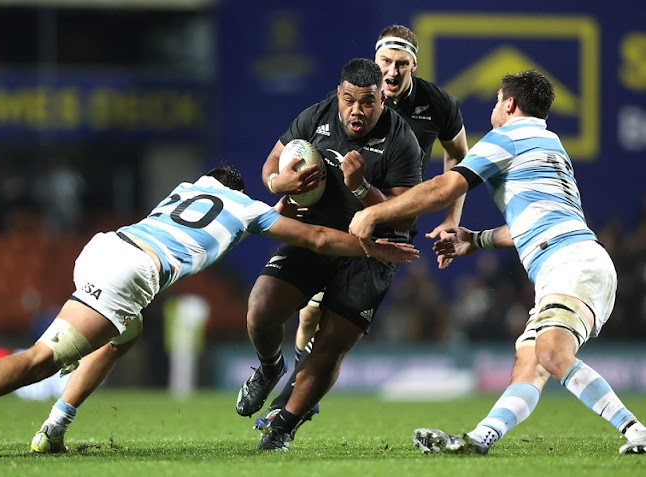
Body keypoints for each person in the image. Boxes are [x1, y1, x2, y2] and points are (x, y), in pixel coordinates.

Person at [0, 165, 418, 459]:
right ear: (239, 190)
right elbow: (318, 239)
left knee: (126, 334)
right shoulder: (243, 207)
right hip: (133, 271)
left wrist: (272, 199)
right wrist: (375, 248)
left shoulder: (187, 188)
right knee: (42, 359)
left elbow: (228, 208)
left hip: (106, 247)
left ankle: (54, 428)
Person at [348, 70, 646, 455]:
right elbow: (533, 222)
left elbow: (444, 188)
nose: (494, 106)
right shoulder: (550, 142)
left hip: (570, 263)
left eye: (496, 100)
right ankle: (480, 438)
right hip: (578, 260)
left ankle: (636, 430)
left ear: (509, 103)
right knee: (530, 363)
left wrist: (377, 213)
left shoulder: (507, 137)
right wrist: (476, 239)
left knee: (552, 354)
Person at [255, 24, 469, 433]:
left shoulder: (435, 106)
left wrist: (450, 220)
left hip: (389, 218)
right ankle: (292, 391)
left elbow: (459, 160)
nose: (392, 71)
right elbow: (288, 157)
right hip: (336, 221)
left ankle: (290, 405)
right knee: (306, 315)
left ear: (414, 66)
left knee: (331, 328)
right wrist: (286, 189)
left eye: (401, 64)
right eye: (385, 62)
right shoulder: (337, 108)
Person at [236, 58, 424, 450]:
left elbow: (404, 215)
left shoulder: (401, 140)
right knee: (260, 308)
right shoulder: (316, 116)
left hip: (371, 253)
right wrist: (277, 181)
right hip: (314, 236)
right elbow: (275, 159)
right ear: (339, 95)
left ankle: (283, 427)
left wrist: (359, 189)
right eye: (350, 100)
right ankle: (271, 368)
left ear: (381, 102)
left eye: (368, 103)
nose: (357, 111)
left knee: (331, 343)